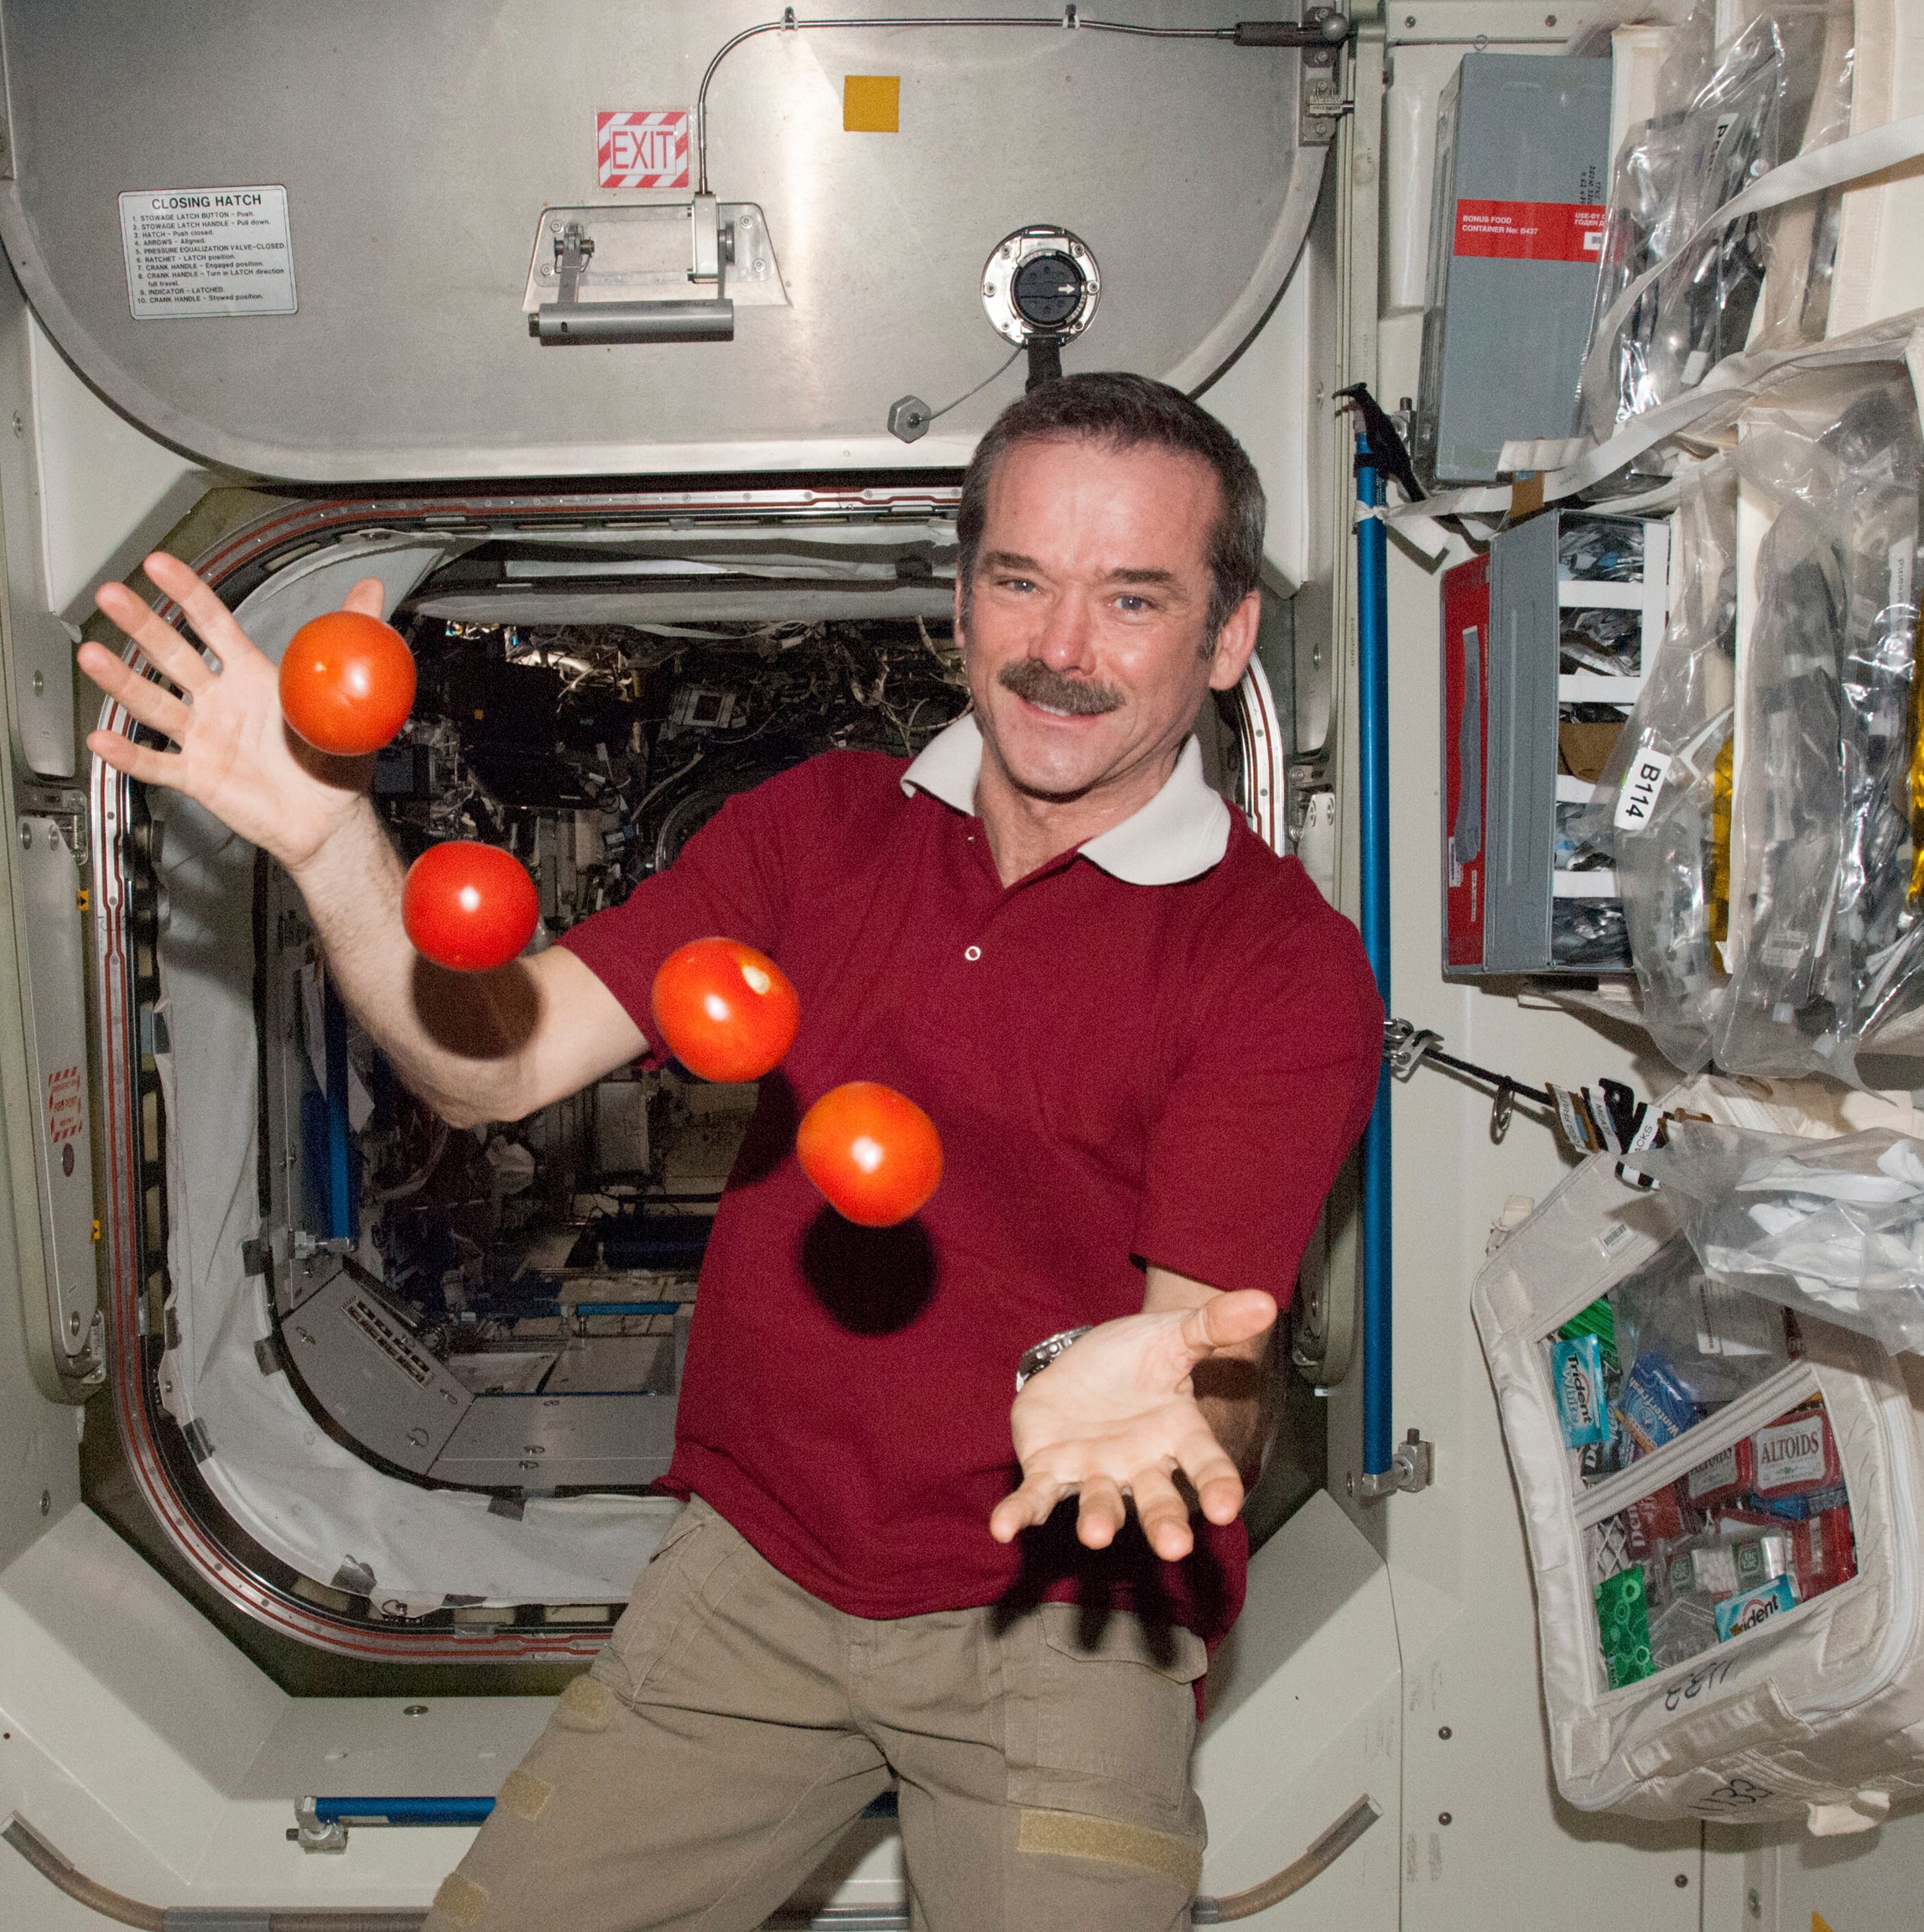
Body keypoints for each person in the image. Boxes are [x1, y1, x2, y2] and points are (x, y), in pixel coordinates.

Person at [78, 372, 1386, 1931]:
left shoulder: (1276, 966)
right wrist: (328, 845)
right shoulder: (817, 829)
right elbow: (492, 1066)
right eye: (1020, 579)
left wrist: (1139, 1388)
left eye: (1133, 598)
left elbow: (1211, 1390)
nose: (1060, 648)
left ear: (1227, 636)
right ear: (962, 599)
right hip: (757, 1576)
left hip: (1067, 1620)